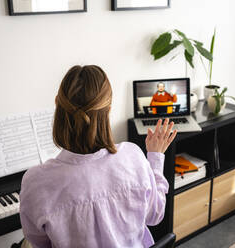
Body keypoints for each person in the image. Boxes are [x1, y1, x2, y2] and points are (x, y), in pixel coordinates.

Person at [19, 65, 177, 248]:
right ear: (108, 109)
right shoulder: (133, 156)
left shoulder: (35, 181)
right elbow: (155, 215)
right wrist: (155, 158)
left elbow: (40, 243)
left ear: (57, 104)